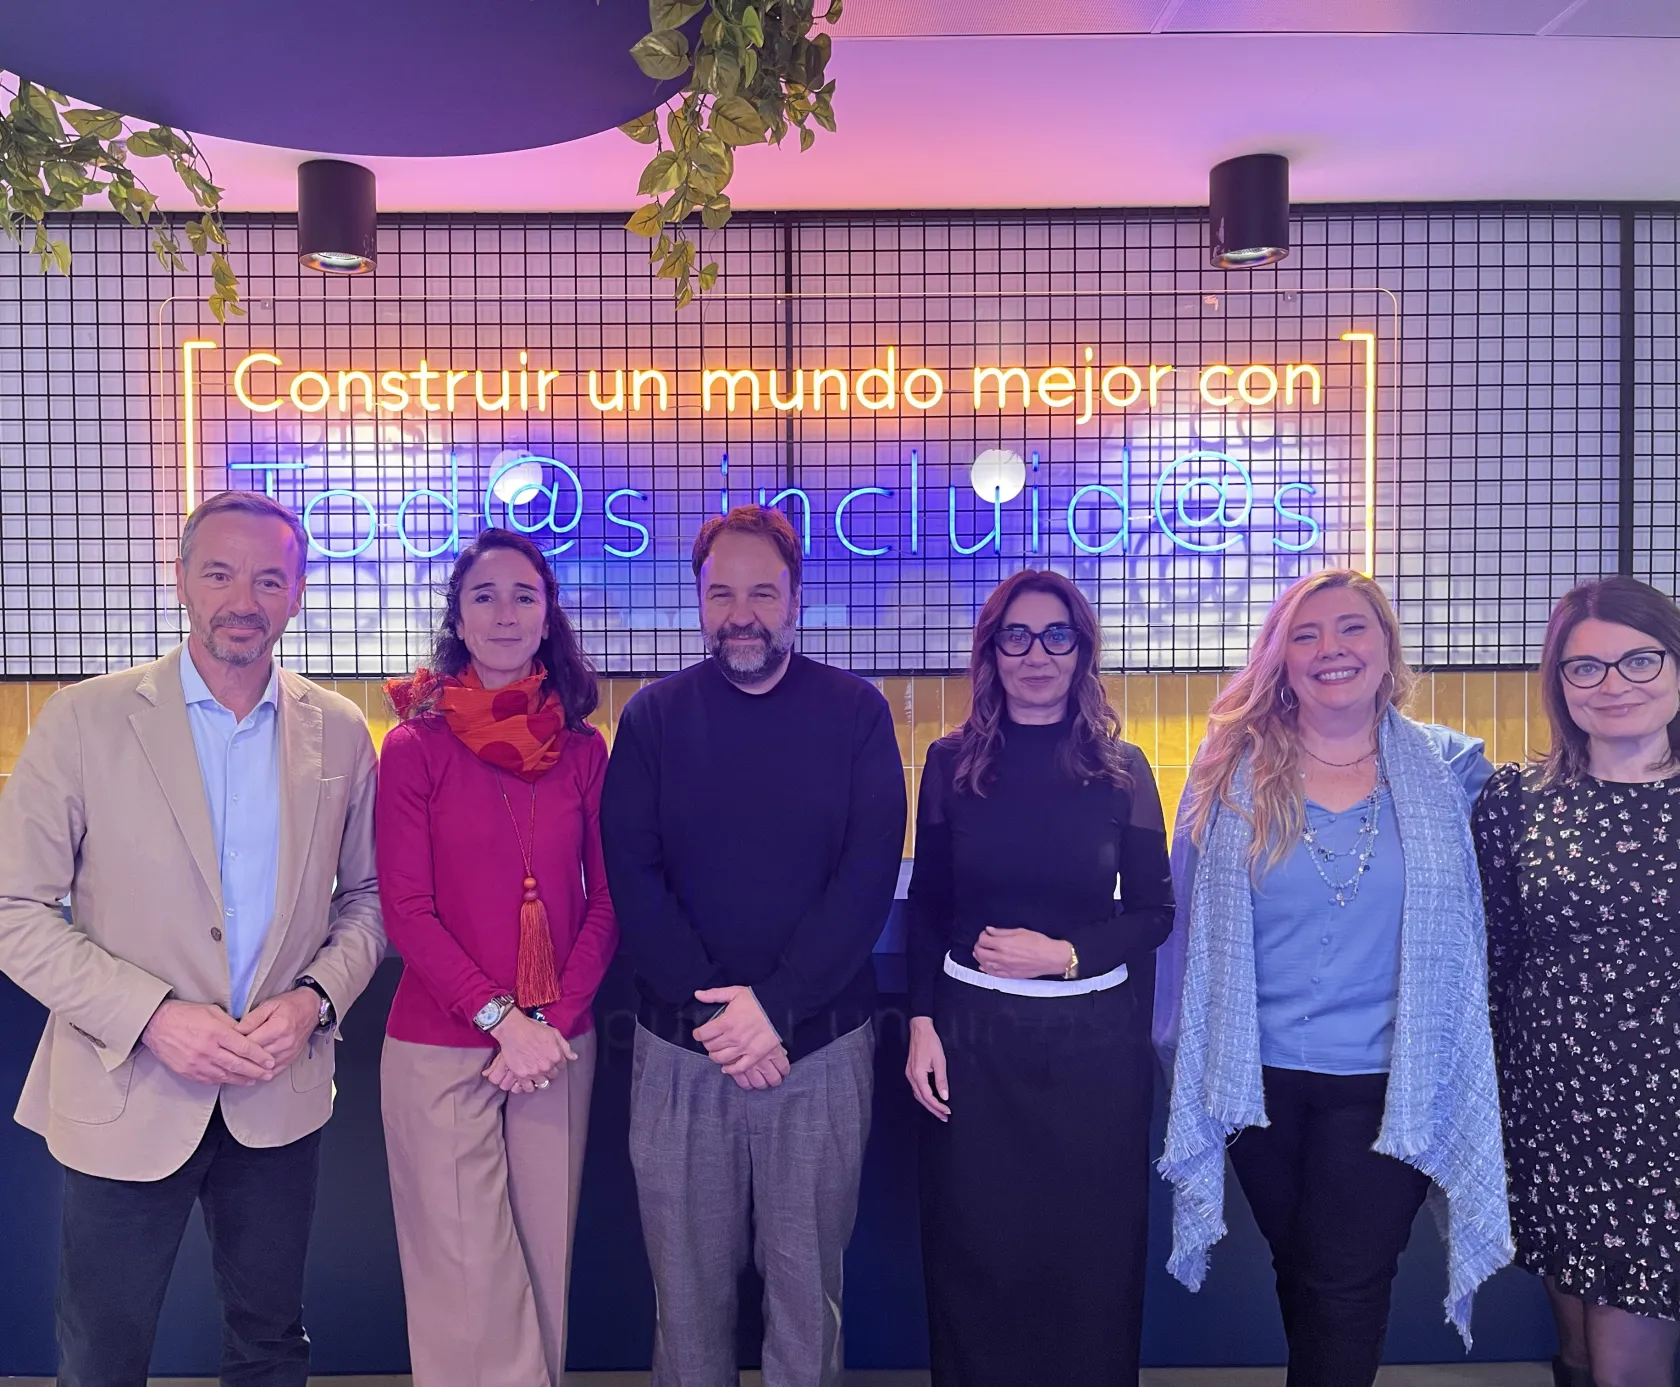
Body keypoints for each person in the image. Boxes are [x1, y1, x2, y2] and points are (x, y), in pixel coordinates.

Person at [0, 489, 385, 1387]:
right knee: (101, 1353)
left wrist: (316, 999)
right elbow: (15, 909)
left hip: (278, 1089)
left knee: (270, 1344)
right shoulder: (84, 720)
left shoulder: (338, 730)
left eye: (267, 578)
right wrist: (154, 1016)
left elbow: (367, 898)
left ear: (296, 593)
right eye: (218, 573)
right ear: (180, 581)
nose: (241, 598)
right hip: (126, 1086)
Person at [1157, 567, 1512, 1387]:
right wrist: (1176, 1051)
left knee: (1345, 1281)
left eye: (1353, 628)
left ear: (1388, 648)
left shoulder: (1453, 772)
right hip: (1255, 1081)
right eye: (1306, 635)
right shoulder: (1226, 773)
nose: (1331, 649)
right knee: (1304, 1267)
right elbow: (1182, 926)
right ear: (1281, 658)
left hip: (1391, 1082)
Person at [599, 504, 906, 1387]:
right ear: (698, 600)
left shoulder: (856, 714)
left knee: (808, 1299)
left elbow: (866, 874)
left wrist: (775, 1007)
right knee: (685, 1302)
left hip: (818, 1048)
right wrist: (716, 1013)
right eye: (721, 591)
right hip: (676, 1049)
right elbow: (633, 873)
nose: (743, 611)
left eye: (763, 591)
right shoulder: (654, 718)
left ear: (796, 599)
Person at [903, 570, 1173, 1386]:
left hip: (1093, 1052)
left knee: (1089, 1260)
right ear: (991, 652)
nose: (1036, 654)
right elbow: (930, 906)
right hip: (973, 1047)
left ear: (1082, 650)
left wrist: (1063, 955)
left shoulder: (1122, 769)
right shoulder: (950, 764)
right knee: (977, 1255)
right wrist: (921, 1023)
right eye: (1015, 636)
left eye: (1057, 635)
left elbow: (1154, 912)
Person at [376, 527, 618, 1386]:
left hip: (556, 1043)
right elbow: (405, 908)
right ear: (459, 617)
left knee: (542, 1268)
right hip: (443, 1043)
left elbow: (607, 901)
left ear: (549, 614)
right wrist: (497, 1017)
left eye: (525, 593)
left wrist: (546, 1023)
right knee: (464, 1283)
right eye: (485, 594)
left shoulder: (586, 750)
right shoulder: (412, 746)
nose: (507, 611)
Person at [1473, 575, 1680, 1387]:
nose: (1614, 684)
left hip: (1660, 1118)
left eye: (1639, 659)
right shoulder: (1517, 800)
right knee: (1580, 1342)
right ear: (1558, 682)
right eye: (1584, 667)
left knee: (1628, 1355)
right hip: (1552, 1108)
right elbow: (1495, 958)